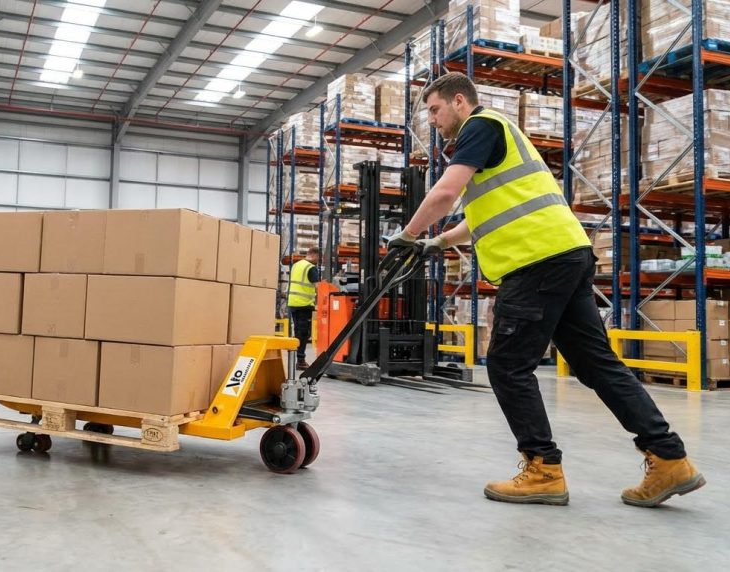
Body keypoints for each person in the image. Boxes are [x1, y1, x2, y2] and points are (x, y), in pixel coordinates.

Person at [388, 72, 704, 508]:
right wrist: (435, 242)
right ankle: (670, 458)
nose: (433, 120)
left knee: (506, 364)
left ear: (459, 101)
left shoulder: (480, 126)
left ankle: (543, 469)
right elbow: (478, 216)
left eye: (435, 110)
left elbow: (445, 193)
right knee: (597, 365)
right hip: (567, 254)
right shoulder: (501, 137)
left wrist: (406, 234)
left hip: (536, 262)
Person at [288, 247, 320, 369]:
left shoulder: (296, 265)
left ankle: (298, 359)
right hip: (304, 304)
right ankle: (300, 361)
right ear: (314, 255)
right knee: (304, 333)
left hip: (293, 303)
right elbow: (318, 287)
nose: (318, 260)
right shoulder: (311, 268)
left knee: (298, 332)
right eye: (318, 258)